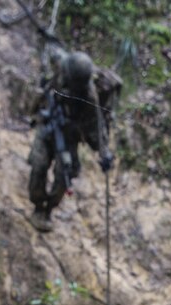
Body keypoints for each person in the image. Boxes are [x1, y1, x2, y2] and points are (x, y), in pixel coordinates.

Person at [27, 49, 118, 232]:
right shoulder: (63, 65)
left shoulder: (89, 97)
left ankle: (48, 210)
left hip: (68, 137)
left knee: (64, 176)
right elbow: (53, 50)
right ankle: (37, 205)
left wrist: (104, 153)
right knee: (39, 165)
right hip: (48, 123)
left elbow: (97, 128)